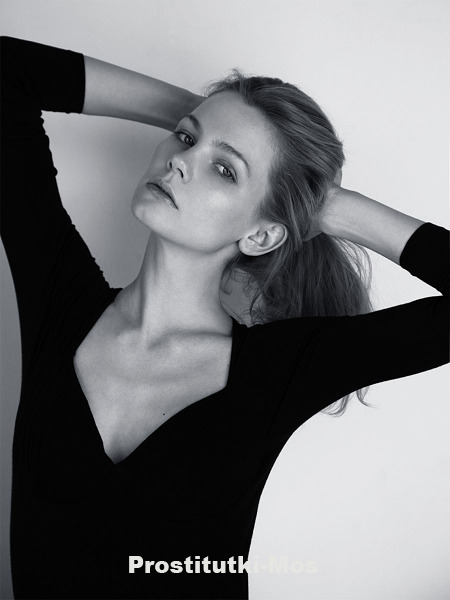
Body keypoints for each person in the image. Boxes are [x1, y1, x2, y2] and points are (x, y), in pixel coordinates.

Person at [0, 35, 448, 600]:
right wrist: (204, 110)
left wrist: (334, 206)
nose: (180, 159)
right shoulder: (59, 303)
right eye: (185, 138)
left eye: (224, 169)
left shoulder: (282, 369)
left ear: (261, 235)